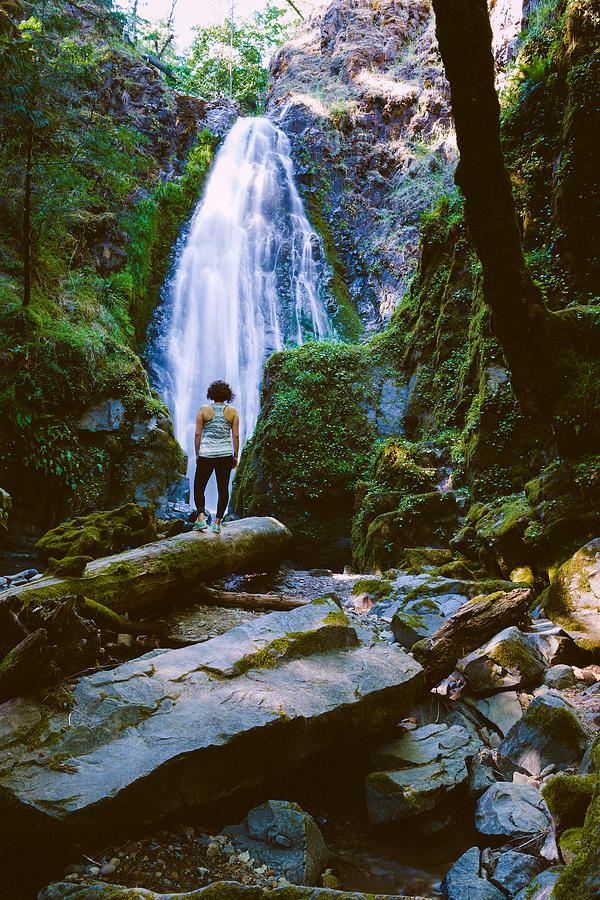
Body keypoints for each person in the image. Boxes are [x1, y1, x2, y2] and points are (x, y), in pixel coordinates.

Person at [193, 380, 239, 534]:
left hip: (206, 454)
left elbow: (198, 433)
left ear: (211, 394)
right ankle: (218, 523)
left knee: (199, 487)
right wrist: (235, 456)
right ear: (227, 395)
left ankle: (201, 519)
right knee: (223, 488)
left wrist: (197, 453)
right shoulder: (232, 412)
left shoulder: (204, 410)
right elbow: (236, 435)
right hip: (225, 454)